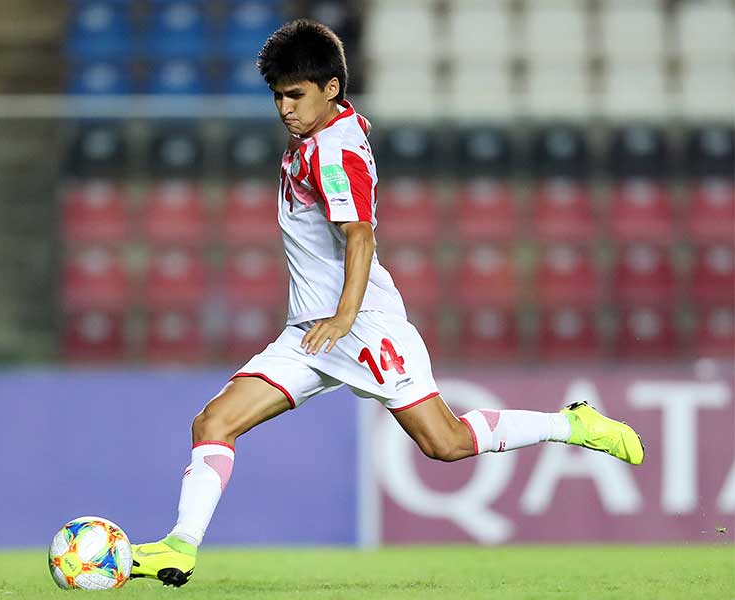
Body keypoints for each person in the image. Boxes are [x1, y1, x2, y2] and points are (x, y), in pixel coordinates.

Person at [129, 19, 644, 588]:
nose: (285, 109)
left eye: (296, 95)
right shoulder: (327, 135)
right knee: (214, 421)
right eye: (278, 96)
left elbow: (360, 234)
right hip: (310, 331)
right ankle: (178, 547)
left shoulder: (331, 153)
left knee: (444, 444)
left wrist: (346, 316)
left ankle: (570, 426)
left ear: (330, 89)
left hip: (363, 327)